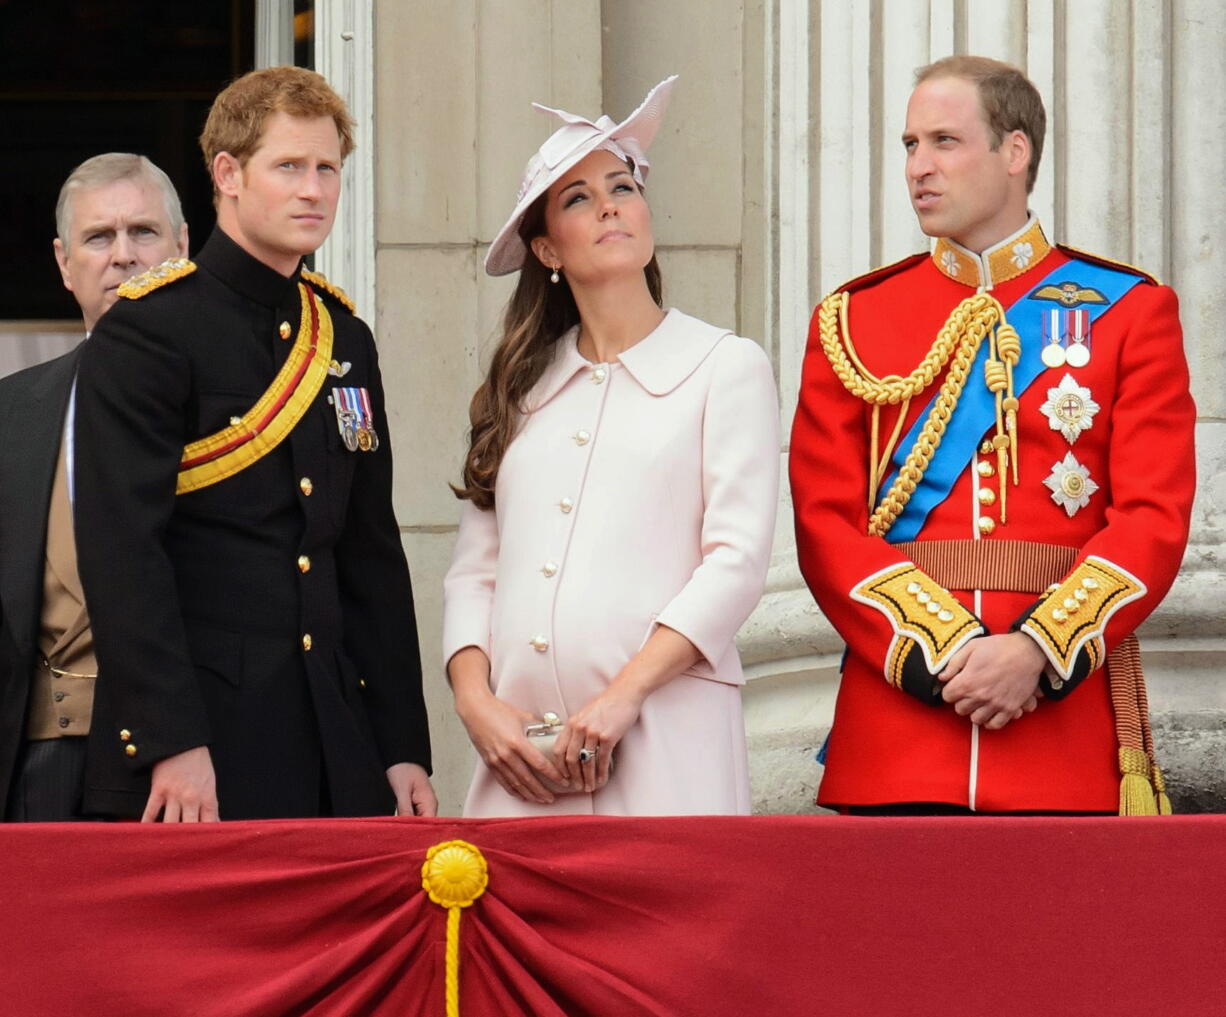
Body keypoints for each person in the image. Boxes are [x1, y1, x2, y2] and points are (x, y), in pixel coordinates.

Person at [790, 55, 1196, 815]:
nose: (918, 167)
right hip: (899, 732)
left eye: (944, 141)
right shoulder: (852, 319)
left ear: (1016, 152)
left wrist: (1037, 650)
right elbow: (823, 522)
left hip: (1060, 731)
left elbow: (1152, 517)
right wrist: (948, 653)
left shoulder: (1129, 310)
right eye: (909, 145)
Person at [72, 67, 435, 821]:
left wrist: (401, 743)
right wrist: (171, 740)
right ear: (228, 175)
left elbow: (369, 553)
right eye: (289, 167)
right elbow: (123, 554)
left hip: (335, 743)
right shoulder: (147, 332)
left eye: (327, 168)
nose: (313, 190)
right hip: (200, 746)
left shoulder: (344, 338)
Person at [444, 77, 780, 817]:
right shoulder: (519, 389)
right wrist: (477, 704)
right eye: (577, 198)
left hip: (666, 741)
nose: (609, 206)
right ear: (545, 248)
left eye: (622, 186)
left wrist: (623, 695)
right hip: (523, 764)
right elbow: (475, 573)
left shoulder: (726, 366)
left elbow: (736, 561)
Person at [0, 154, 189, 821]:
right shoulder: (11, 411)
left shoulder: (245, 403)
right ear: (63, 262)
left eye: (143, 233)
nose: (124, 256)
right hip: (33, 771)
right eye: (99, 238)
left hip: (186, 768)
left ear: (183, 247)